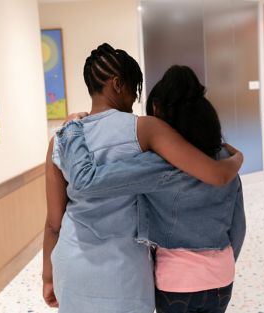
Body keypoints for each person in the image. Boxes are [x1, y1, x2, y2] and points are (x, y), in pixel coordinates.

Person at [42, 44, 243, 313]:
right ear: (117, 84)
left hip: (72, 263)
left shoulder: (61, 138)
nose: (134, 101)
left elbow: (53, 224)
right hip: (125, 268)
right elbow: (213, 175)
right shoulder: (144, 129)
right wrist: (237, 158)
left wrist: (47, 276)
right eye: (135, 90)